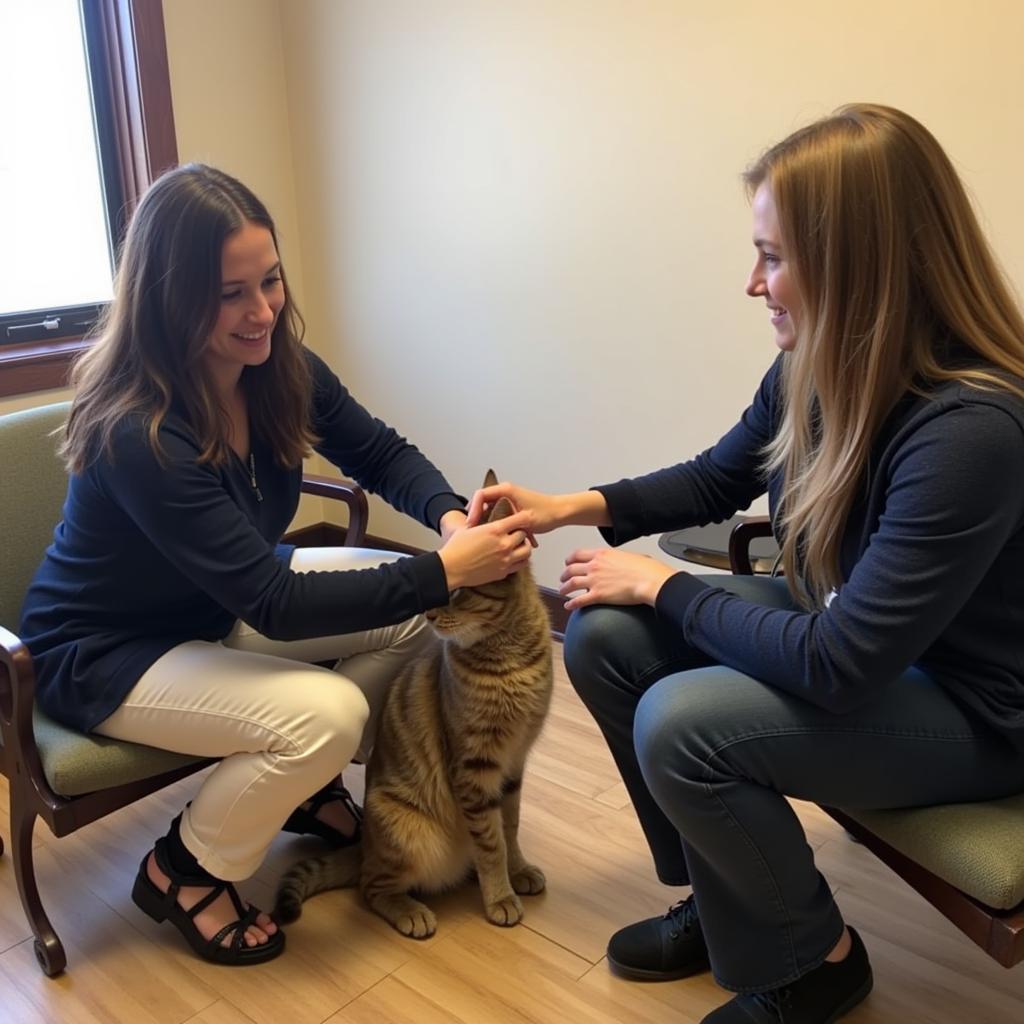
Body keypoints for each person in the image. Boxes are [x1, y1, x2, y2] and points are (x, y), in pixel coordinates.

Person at [466, 104, 1024, 1023]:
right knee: (606, 635)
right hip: (877, 650)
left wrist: (670, 583)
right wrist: (571, 505)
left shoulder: (972, 429)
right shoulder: (819, 365)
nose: (752, 283)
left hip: (976, 712)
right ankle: (730, 896)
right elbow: (719, 475)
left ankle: (815, 963)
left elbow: (839, 665)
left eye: (772, 255)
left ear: (858, 261)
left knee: (684, 722)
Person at [19, 164, 533, 966]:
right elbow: (275, 602)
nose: (261, 312)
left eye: (271, 280)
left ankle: (304, 789)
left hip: (212, 604)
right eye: (229, 294)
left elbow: (380, 451)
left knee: (411, 625)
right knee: (326, 715)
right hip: (104, 653)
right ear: (169, 299)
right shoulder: (139, 429)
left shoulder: (277, 368)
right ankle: (183, 869)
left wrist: (447, 517)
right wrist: (448, 572)